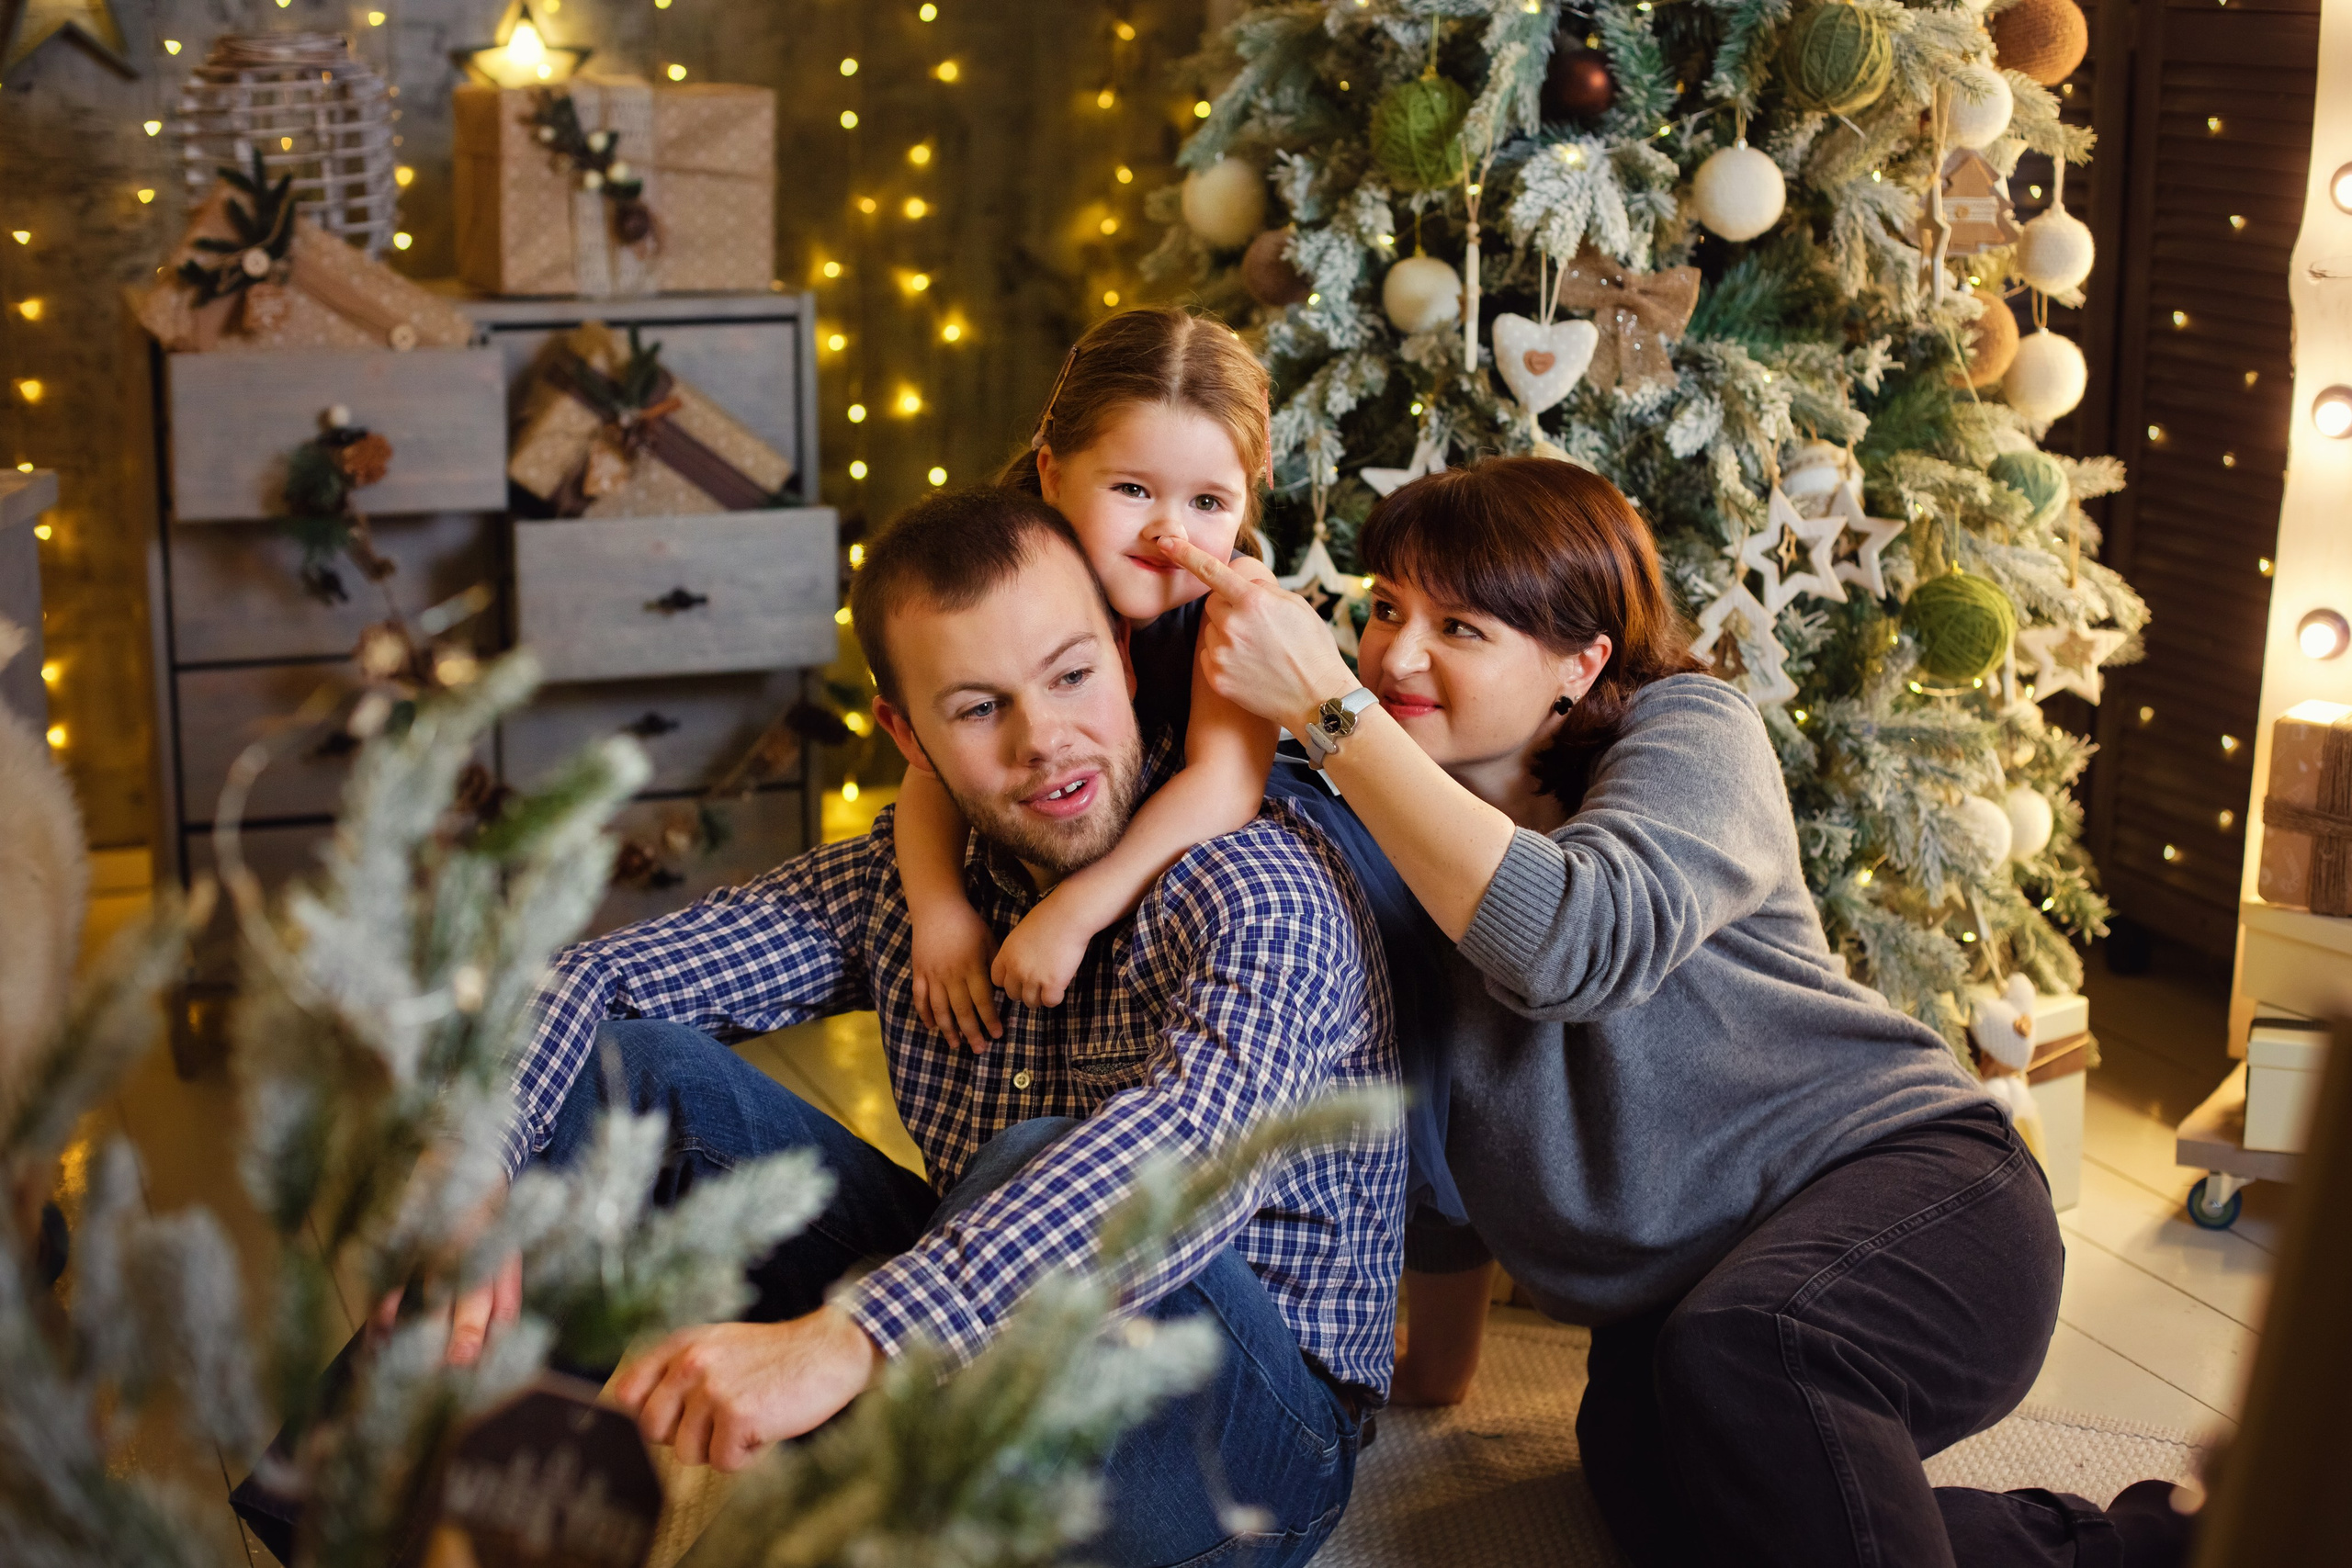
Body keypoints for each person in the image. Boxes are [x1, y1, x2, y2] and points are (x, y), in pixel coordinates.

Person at [1158, 456, 2193, 1568]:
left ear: (1579, 661)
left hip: (1926, 1201)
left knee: (1749, 1350)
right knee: (1677, 1509)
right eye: (1384, 610)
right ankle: (2131, 1545)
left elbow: (1570, 942)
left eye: (1459, 627)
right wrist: (1439, 1364)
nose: (1394, 654)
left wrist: (1330, 710)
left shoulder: (1690, 729)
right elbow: (1437, 1129)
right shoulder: (1385, 851)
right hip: (1678, 1314)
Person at [505, 488, 1401, 1565]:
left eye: (1072, 675)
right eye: (977, 709)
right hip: (967, 1334)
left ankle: (849, 1482)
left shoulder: (1260, 887)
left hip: (1254, 1429)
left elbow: (1188, 1155)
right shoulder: (920, 884)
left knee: (1047, 1155)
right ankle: (398, 1523)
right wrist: (468, 1163)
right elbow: (599, 974)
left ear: (1121, 656)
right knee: (618, 1074)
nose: (1044, 742)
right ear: (908, 733)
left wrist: (853, 1336)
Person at [899, 305, 1466, 1227]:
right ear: (1051, 469)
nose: (1170, 533)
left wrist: (1074, 910)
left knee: (1411, 1092)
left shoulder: (1227, 605)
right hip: (1089, 800)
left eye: (1207, 503)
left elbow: (1223, 783)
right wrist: (937, 910)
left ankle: (1429, 1305)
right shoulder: (1007, 578)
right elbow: (934, 762)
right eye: (1131, 490)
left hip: (1233, 819)